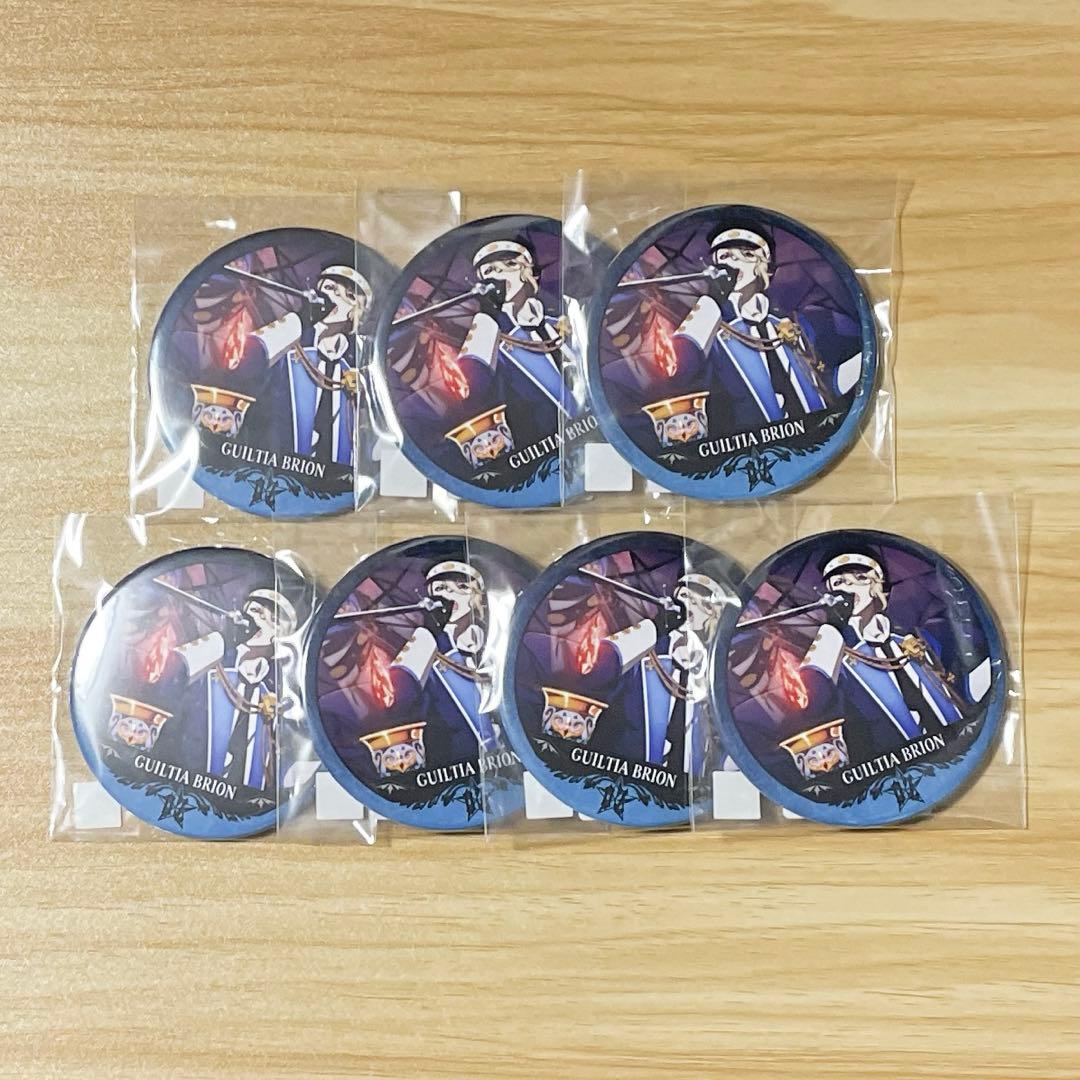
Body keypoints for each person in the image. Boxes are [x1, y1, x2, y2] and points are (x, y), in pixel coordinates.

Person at [794, 552, 992, 765]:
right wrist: (833, 629)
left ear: (878, 586)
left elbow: (959, 688)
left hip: (962, 751)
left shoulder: (919, 639)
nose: (848, 587)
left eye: (860, 578)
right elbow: (814, 703)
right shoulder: (836, 658)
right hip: (904, 771)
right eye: (838, 583)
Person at [669, 225, 853, 431]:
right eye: (724, 256)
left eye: (747, 254)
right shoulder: (712, 332)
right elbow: (681, 370)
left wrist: (870, 356)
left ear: (767, 266)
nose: (733, 261)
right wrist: (713, 301)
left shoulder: (795, 322)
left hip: (819, 434)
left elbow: (826, 385)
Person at [569, 572, 729, 773]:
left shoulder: (715, 676)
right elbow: (594, 671)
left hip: (686, 787)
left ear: (713, 616)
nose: (687, 606)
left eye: (699, 603)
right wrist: (654, 627)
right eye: (684, 596)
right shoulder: (643, 651)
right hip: (623, 781)